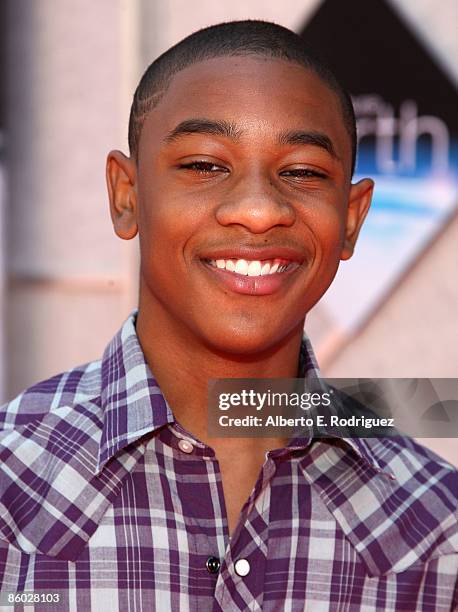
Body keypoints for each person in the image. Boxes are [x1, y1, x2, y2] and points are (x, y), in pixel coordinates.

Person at [0, 20, 456, 612]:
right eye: (205, 166)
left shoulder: (437, 531)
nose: (260, 210)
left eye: (302, 172)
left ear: (350, 218)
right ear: (126, 195)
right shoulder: (13, 486)